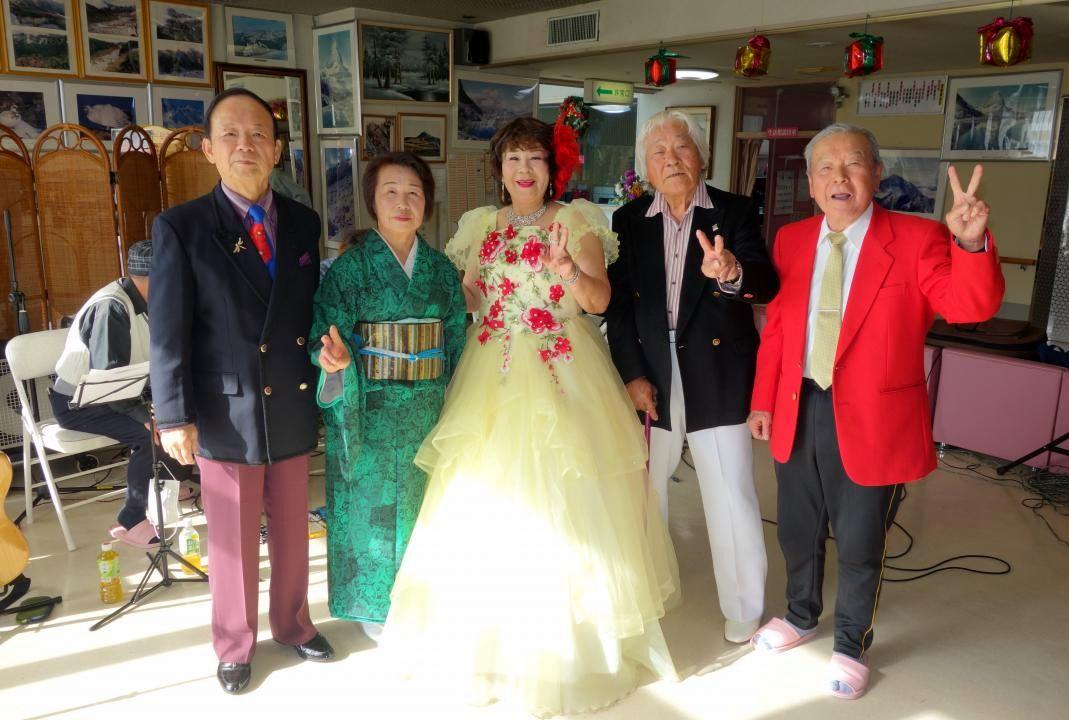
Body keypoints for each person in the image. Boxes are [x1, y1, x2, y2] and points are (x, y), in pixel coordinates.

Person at [381, 117, 680, 717]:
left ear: (552, 168)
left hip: (562, 366)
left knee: (566, 500)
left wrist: (569, 271)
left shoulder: (577, 220)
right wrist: (439, 291)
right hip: (491, 368)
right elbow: (472, 293)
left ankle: (568, 648)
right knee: (485, 500)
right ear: (500, 168)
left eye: (535, 159)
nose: (524, 170)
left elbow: (599, 299)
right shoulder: (481, 225)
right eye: (514, 158)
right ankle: (489, 643)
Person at [748, 123, 1004, 699]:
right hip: (799, 403)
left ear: (876, 173)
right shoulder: (791, 240)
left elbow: (969, 307)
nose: (839, 177)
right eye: (826, 167)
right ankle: (800, 615)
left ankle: (849, 643)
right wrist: (763, 399)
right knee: (797, 527)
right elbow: (779, 329)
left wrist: (968, 245)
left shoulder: (916, 237)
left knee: (861, 540)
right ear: (810, 181)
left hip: (874, 418)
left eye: (854, 164)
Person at [149, 87, 334, 696]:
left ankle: (294, 624)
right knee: (230, 539)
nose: (245, 145)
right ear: (208, 149)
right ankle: (234, 644)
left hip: (291, 398)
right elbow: (168, 332)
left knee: (292, 529)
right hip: (225, 408)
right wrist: (172, 415)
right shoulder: (182, 227)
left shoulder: (303, 223)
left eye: (258, 134)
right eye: (230, 134)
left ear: (277, 150)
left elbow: (309, 310)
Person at [606, 109, 779, 645]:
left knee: (730, 493)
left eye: (681, 147)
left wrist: (731, 272)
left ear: (701, 156)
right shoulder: (628, 220)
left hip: (718, 371)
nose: (671, 159)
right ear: (645, 167)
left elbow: (767, 282)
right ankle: (648, 591)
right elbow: (619, 308)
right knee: (645, 492)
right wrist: (631, 373)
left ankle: (743, 606)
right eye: (658, 152)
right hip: (652, 373)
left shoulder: (735, 210)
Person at [310, 151, 466, 641]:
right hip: (369, 409)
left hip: (427, 410)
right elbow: (324, 334)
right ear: (372, 202)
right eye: (391, 193)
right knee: (371, 509)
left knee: (426, 507)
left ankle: (424, 601)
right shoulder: (348, 271)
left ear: (427, 204)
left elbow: (456, 342)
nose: (403, 203)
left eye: (414, 193)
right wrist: (333, 359)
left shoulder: (441, 271)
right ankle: (375, 607)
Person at [49, 240, 192, 548]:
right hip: (80, 402)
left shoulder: (144, 300)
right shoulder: (111, 307)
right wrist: (146, 416)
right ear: (156, 277)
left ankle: (167, 483)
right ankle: (130, 519)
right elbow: (109, 381)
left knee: (179, 414)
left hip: (122, 393)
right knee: (151, 434)